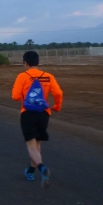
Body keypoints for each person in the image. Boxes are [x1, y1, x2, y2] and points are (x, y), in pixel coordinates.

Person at [12, 51, 63, 188]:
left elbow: (15, 96)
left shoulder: (22, 76)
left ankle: (41, 167)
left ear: (25, 63)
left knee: (31, 145)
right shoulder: (48, 76)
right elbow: (58, 93)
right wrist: (57, 106)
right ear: (38, 62)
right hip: (43, 113)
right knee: (37, 143)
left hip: (28, 113)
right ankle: (30, 171)